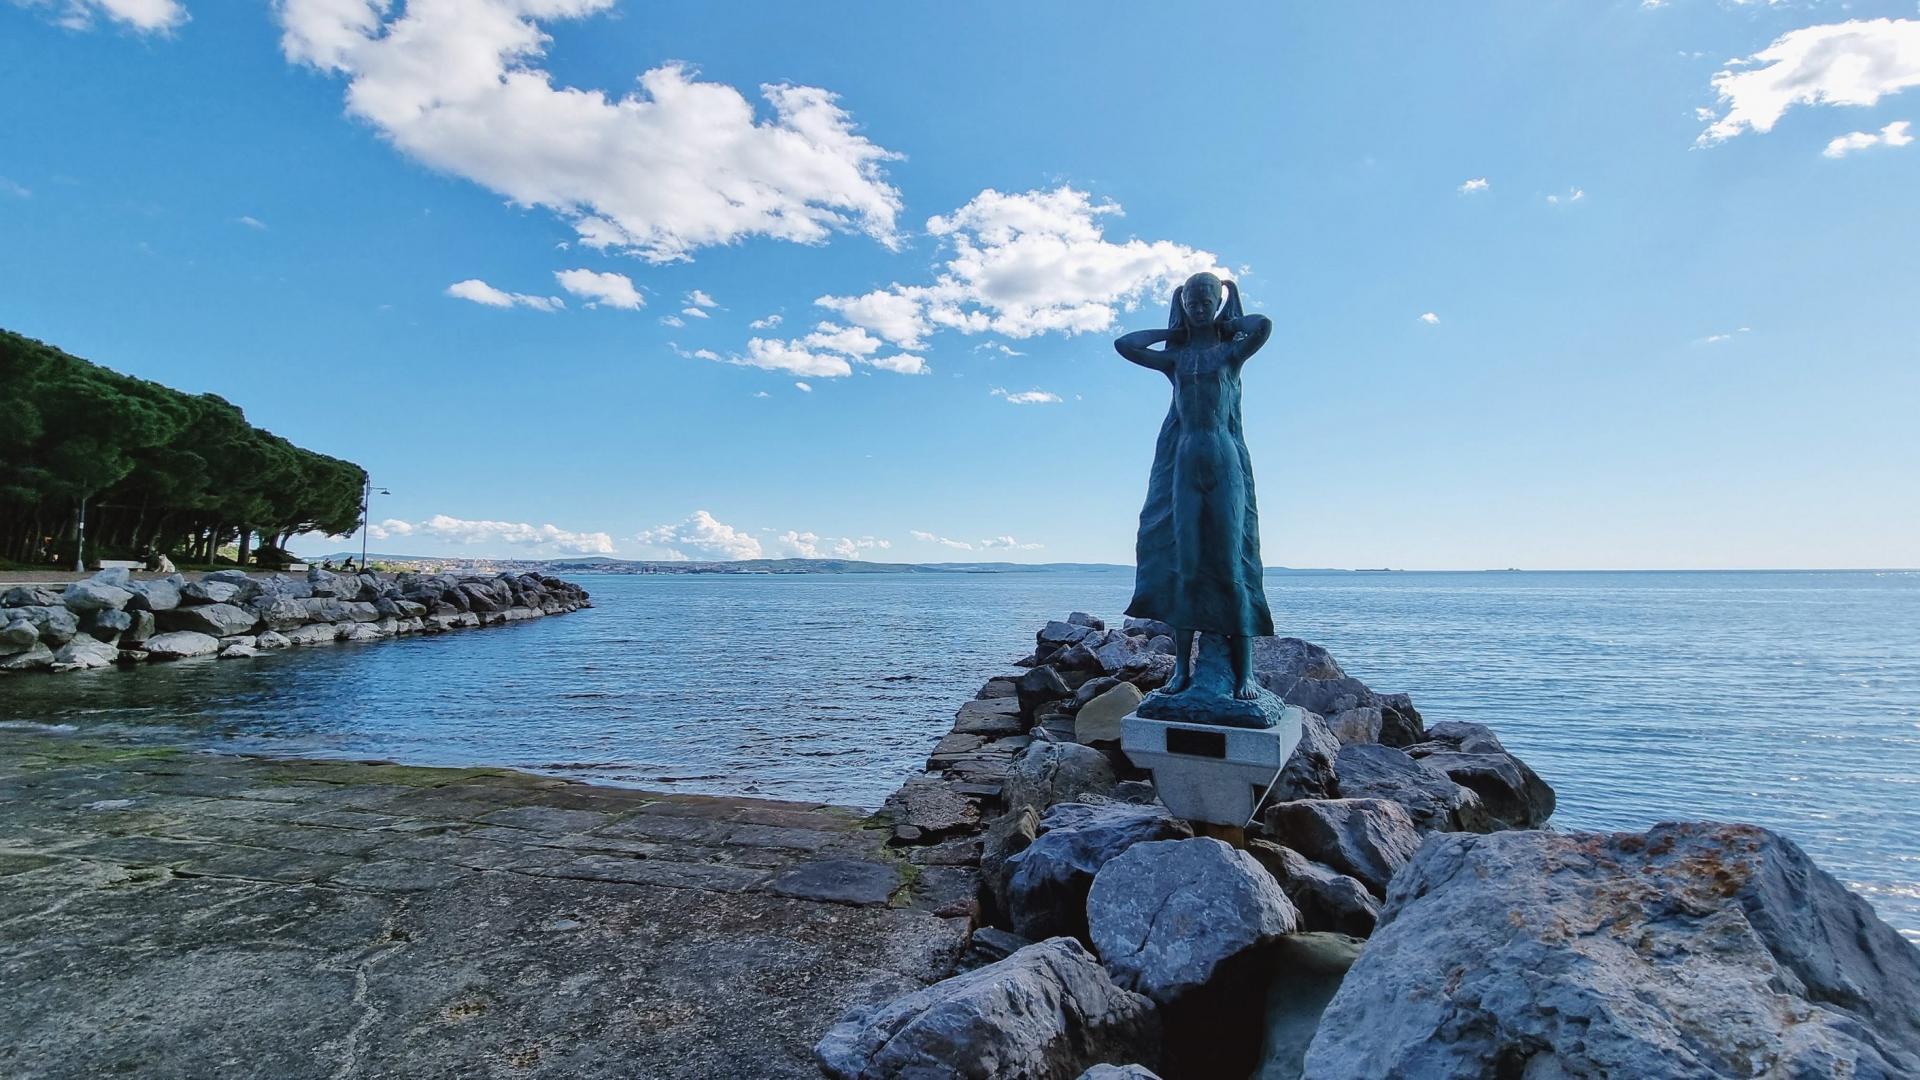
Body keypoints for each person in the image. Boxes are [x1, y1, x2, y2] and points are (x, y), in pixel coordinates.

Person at [1114, 272, 1275, 700]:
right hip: (1185, 462)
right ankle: (1181, 670)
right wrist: (1175, 328)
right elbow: (1126, 344)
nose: (1200, 305)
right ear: (1184, 304)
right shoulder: (1177, 360)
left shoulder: (1229, 353)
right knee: (1185, 563)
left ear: (1217, 303)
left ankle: (1245, 674)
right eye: (1193, 300)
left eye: (1207, 299)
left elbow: (1261, 326)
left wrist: (1231, 306)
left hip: (1223, 462)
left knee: (1230, 565)